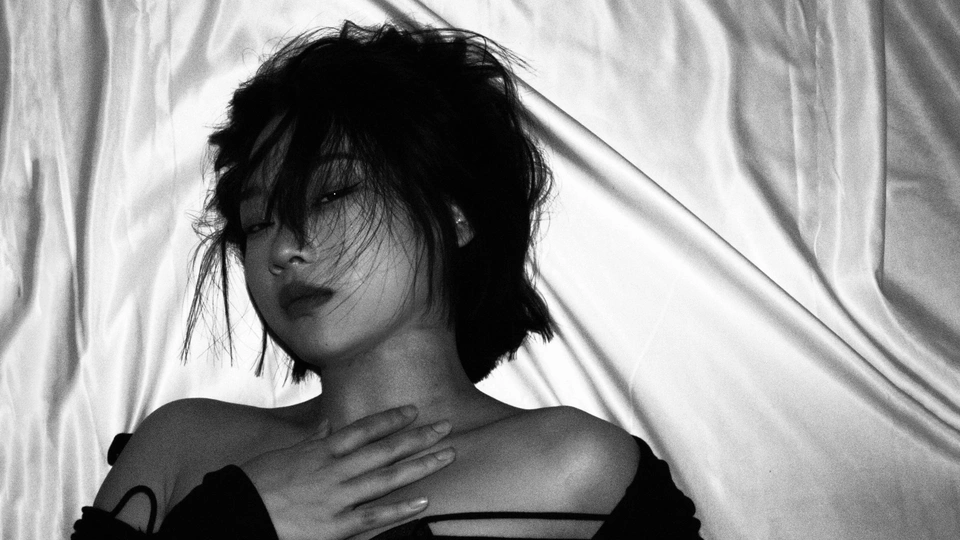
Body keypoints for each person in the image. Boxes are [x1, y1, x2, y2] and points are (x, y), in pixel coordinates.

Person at [73, 21, 701, 540]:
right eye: (259, 220)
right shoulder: (179, 445)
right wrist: (232, 522)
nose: (285, 248)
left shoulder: (576, 468)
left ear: (455, 215)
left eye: (333, 193)